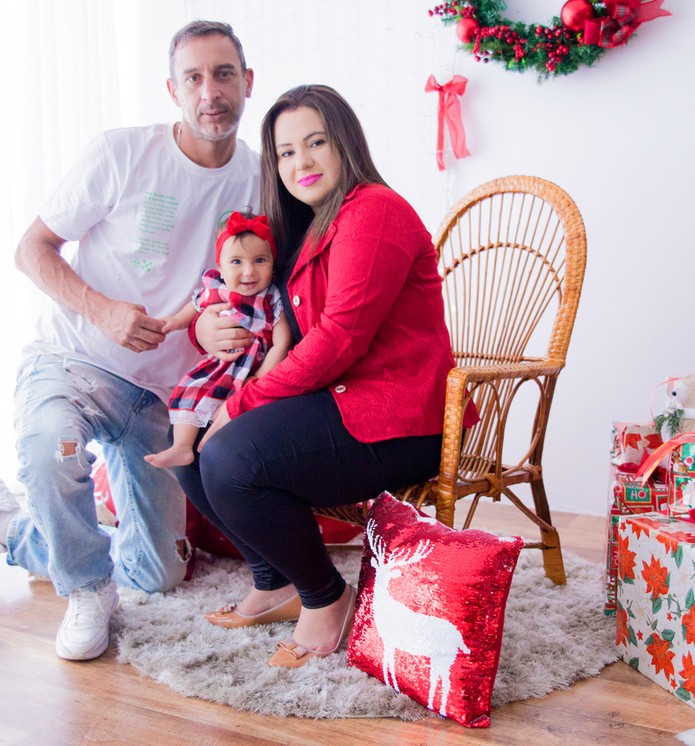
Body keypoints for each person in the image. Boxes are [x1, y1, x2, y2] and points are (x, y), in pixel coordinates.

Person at [0, 20, 260, 662]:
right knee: (52, 453)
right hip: (76, 365)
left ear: (248, 83)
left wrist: (221, 328)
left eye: (224, 74)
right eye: (193, 77)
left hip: (166, 402)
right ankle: (85, 590)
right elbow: (31, 249)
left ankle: (3, 526)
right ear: (173, 90)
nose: (210, 92)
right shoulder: (121, 153)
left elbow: (250, 289)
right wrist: (102, 309)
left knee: (160, 573)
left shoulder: (260, 181)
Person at [179, 84, 475, 667]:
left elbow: (340, 337)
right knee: (185, 446)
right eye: (286, 152)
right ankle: (275, 581)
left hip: (399, 417)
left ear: (344, 143)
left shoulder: (374, 211)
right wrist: (203, 330)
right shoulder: (310, 224)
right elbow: (251, 306)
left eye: (315, 142)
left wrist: (240, 405)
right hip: (337, 403)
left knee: (228, 456)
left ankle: (325, 595)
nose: (301, 162)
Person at [145, 212, 289, 469]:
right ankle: (181, 447)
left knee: (239, 412)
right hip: (221, 364)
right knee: (190, 392)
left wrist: (262, 376)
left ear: (272, 263)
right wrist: (175, 322)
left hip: (255, 369)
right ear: (220, 266)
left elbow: (282, 341)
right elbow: (194, 308)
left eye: (260, 260)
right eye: (236, 261)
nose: (249, 271)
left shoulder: (271, 297)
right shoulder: (217, 290)